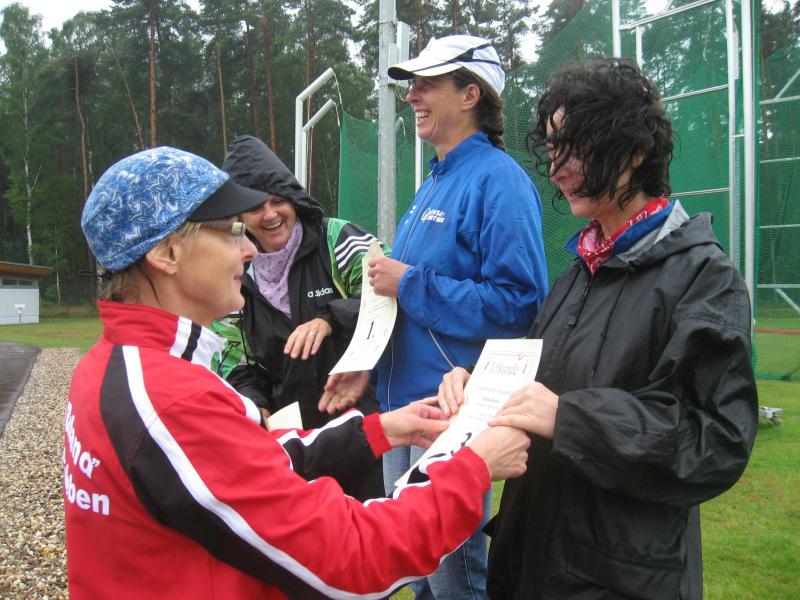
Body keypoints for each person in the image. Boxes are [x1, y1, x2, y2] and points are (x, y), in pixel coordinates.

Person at [64, 146, 532, 599]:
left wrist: (379, 430)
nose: (248, 249)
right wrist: (473, 468)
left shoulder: (116, 367)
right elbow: (347, 558)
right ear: (167, 254)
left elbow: (251, 456)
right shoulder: (171, 397)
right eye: (229, 231)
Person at [435, 59, 759, 600]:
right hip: (530, 555)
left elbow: (715, 441)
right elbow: (542, 377)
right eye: (553, 148)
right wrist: (476, 383)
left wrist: (571, 419)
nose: (558, 169)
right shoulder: (580, 270)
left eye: (577, 147)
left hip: (619, 575)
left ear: (636, 151)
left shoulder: (703, 277)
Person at [321, 35, 549, 600]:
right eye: (412, 85)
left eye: (427, 84)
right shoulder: (435, 181)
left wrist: (410, 281)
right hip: (404, 410)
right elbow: (409, 310)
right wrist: (367, 364)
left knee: (455, 584)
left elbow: (520, 304)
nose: (411, 96)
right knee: (419, 571)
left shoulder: (499, 180)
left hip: (453, 412)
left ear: (471, 95)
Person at [214, 134, 389, 431]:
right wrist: (256, 406)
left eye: (278, 201)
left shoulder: (338, 238)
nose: (270, 215)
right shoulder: (233, 272)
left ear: (294, 200)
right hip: (295, 436)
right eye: (256, 207)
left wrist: (329, 319)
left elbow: (387, 296)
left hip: (367, 417)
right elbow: (235, 363)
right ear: (240, 216)